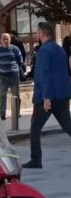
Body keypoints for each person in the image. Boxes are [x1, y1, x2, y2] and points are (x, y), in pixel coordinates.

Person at [22, 22, 71, 169]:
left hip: (46, 97)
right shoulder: (60, 50)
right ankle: (35, 159)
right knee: (68, 125)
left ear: (42, 33)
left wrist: (46, 97)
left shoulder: (44, 50)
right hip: (62, 95)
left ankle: (36, 160)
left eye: (37, 32)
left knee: (35, 128)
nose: (36, 34)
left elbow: (45, 75)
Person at [0, 33, 24, 120]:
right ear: (1, 40)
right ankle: (2, 112)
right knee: (2, 95)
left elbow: (20, 61)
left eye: (7, 38)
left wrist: (15, 68)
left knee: (16, 94)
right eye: (4, 39)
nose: (6, 40)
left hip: (14, 75)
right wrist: (1, 69)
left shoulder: (15, 49)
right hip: (3, 76)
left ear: (10, 40)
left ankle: (17, 112)